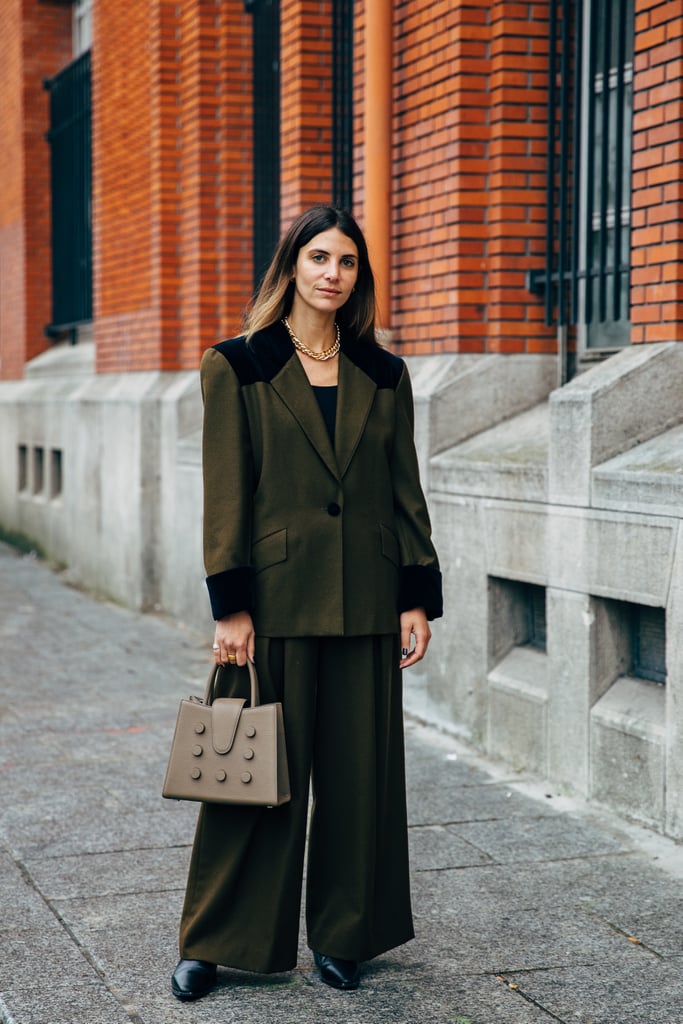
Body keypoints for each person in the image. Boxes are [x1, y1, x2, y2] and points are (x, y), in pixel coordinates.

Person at [171, 204, 442, 1000]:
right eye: (318, 257)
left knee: (361, 782)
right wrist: (230, 606)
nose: (332, 273)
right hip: (277, 602)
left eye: (347, 262)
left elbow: (404, 493)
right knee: (251, 773)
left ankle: (345, 933)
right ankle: (215, 940)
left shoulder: (384, 374)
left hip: (367, 597)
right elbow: (227, 494)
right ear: (291, 265)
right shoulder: (237, 365)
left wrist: (416, 594)